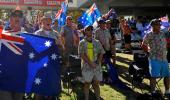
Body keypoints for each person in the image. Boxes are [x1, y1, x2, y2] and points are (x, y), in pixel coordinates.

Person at [34, 12, 63, 100]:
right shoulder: (37, 34)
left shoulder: (56, 34)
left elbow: (62, 48)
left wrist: (60, 44)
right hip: (40, 66)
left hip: (52, 66)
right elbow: (34, 49)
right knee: (39, 89)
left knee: (51, 88)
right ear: (42, 21)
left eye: (50, 20)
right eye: (46, 19)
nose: (48, 21)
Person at [141, 19, 170, 98]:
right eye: (158, 25)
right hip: (154, 58)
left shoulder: (163, 33)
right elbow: (143, 45)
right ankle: (153, 92)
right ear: (153, 25)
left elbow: (167, 42)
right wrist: (147, 53)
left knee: (167, 75)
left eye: (160, 25)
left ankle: (167, 91)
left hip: (164, 58)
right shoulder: (149, 34)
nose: (160, 26)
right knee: (154, 76)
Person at [0, 10, 25, 100]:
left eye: (20, 16)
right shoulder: (2, 34)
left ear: (22, 20)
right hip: (4, 77)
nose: (17, 18)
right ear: (10, 19)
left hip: (19, 77)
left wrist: (53, 44)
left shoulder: (26, 36)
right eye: (15, 16)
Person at [78, 25, 105, 100]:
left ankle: (98, 98)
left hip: (97, 66)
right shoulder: (82, 43)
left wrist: (97, 62)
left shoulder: (97, 42)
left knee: (96, 84)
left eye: (91, 29)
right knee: (87, 84)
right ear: (85, 31)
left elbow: (101, 52)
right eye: (88, 30)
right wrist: (90, 63)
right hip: (86, 66)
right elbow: (81, 54)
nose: (90, 31)